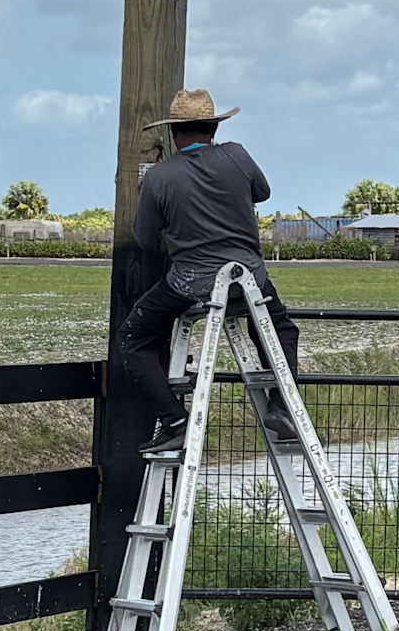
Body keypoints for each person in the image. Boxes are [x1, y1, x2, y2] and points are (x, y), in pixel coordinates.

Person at [113, 87, 301, 437]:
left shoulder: (158, 177)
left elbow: (146, 239)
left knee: (133, 337)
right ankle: (282, 404)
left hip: (191, 281)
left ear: (173, 133)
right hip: (248, 276)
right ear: (214, 129)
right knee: (280, 329)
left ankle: (174, 419)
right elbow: (262, 192)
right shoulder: (237, 156)